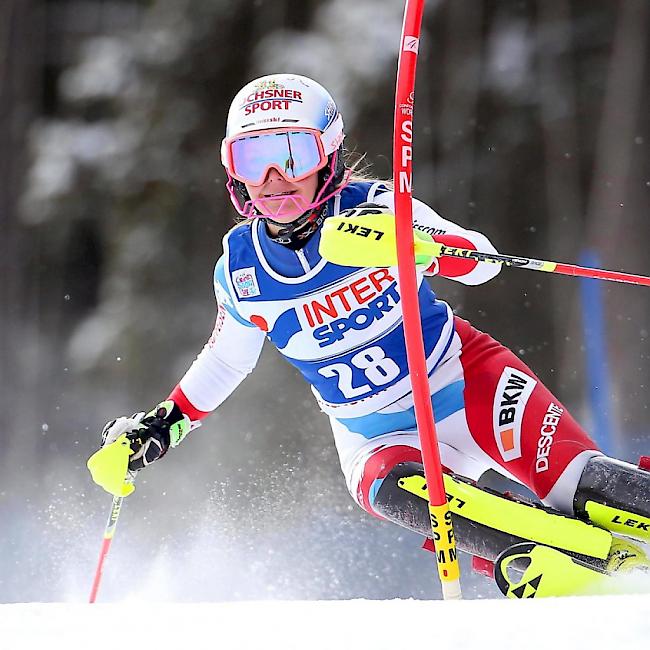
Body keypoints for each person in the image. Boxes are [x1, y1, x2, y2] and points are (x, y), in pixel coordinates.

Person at [94, 73, 649, 576]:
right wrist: (162, 425)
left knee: (591, 490)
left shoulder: (381, 207)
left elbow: (481, 263)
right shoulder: (241, 270)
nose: (271, 179)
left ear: (327, 156)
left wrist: (420, 248)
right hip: (376, 436)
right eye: (250, 158)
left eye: (291, 155)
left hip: (467, 380)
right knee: (401, 493)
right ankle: (569, 565)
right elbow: (226, 359)